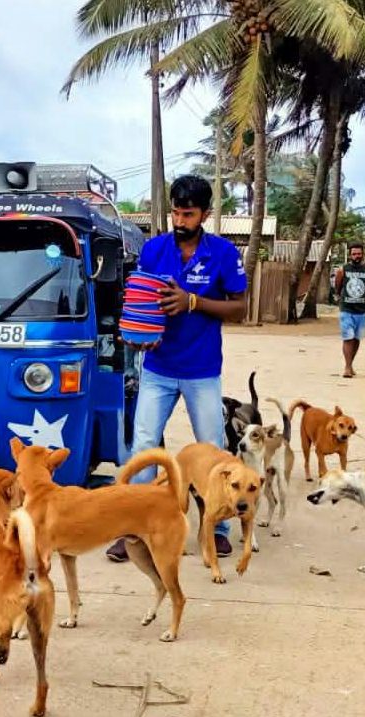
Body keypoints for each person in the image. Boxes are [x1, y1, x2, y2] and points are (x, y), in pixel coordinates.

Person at [108, 175, 247, 562]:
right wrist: (137, 332)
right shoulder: (154, 249)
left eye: (188, 213)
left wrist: (193, 302)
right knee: (144, 446)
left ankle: (216, 527)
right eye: (176, 211)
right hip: (157, 366)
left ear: (205, 213)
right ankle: (135, 530)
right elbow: (140, 299)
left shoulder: (222, 253)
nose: (180, 219)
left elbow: (239, 308)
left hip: (202, 369)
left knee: (213, 451)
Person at [334, 243, 365, 378]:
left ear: (362, 254)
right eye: (354, 254)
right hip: (346, 309)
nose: (357, 256)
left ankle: (351, 364)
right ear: (350, 255)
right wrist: (339, 297)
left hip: (361, 310)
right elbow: (337, 285)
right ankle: (347, 367)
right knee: (348, 337)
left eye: (359, 254)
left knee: (356, 339)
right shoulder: (343, 269)